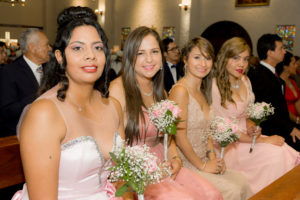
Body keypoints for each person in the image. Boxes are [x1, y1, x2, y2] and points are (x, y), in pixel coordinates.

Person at [12, 6, 126, 200]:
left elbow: (121, 178)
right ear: (59, 57)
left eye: (97, 47)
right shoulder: (45, 113)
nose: (90, 55)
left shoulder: (113, 106)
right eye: (77, 48)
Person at [109, 26, 222, 200]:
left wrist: (176, 158)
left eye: (154, 52)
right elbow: (117, 147)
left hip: (165, 165)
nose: (149, 59)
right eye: (140, 53)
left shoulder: (160, 92)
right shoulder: (118, 89)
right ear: (130, 56)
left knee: (212, 194)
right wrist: (141, 174)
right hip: (137, 173)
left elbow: (168, 137)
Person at [211, 37, 299, 193]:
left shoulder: (245, 80)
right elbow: (223, 130)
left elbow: (247, 116)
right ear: (225, 57)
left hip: (247, 138)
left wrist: (253, 128)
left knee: (282, 148)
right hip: (228, 144)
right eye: (236, 58)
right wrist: (260, 140)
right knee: (276, 154)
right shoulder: (215, 85)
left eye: (245, 59)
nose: (241, 64)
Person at [169, 36, 252, 200]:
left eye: (207, 58)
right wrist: (203, 165)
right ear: (185, 60)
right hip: (186, 163)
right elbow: (179, 137)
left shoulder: (203, 91)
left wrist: (213, 158)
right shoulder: (180, 91)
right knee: (232, 191)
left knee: (242, 182)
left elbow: (207, 132)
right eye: (197, 57)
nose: (203, 63)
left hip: (204, 158)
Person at [248, 34, 300, 151]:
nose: (284, 51)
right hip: (270, 130)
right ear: (270, 53)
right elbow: (266, 110)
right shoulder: (260, 76)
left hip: (282, 126)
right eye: (281, 48)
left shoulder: (272, 73)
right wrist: (290, 128)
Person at [0, 28, 51, 136]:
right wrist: (39, 95)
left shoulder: (50, 69)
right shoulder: (9, 72)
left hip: (48, 131)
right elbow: (7, 111)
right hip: (19, 136)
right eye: (46, 45)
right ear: (32, 47)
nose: (50, 48)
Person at [276, 51, 300, 123]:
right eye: (294, 63)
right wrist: (296, 120)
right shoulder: (278, 83)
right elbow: (281, 108)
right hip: (286, 121)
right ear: (285, 67)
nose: (297, 66)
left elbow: (297, 102)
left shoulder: (292, 81)